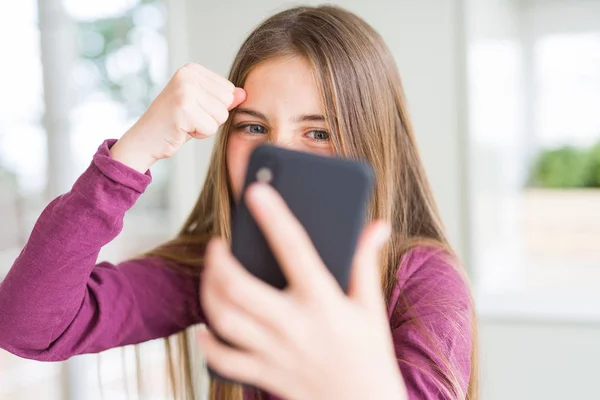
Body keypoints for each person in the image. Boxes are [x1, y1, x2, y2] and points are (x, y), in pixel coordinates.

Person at [0, 5, 478, 400]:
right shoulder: (216, 269)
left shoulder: (421, 279)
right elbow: (27, 325)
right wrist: (133, 152)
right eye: (253, 127)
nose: (280, 157)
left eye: (318, 132)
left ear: (371, 145)